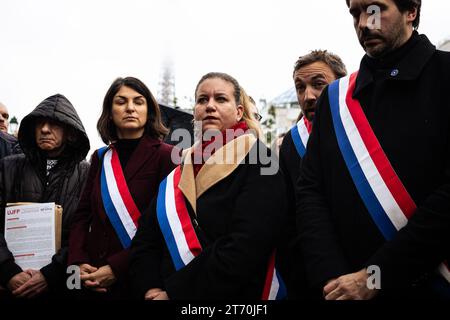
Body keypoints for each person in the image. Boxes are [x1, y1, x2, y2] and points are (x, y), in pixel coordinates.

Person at [297, 0, 450, 300]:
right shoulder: (335, 98)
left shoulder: (445, 76)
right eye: (356, 12)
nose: (364, 23)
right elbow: (310, 191)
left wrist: (376, 275)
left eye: (376, 10)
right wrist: (333, 280)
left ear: (411, 11)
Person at [130, 72, 287, 300]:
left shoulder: (263, 161)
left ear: (239, 111)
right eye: (202, 100)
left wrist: (174, 292)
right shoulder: (180, 169)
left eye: (221, 99)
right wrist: (150, 287)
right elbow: (146, 239)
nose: (210, 106)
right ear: (195, 111)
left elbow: (246, 245)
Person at [68, 77, 177, 298]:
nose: (130, 108)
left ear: (149, 111)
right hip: (92, 275)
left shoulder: (166, 156)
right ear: (109, 111)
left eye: (138, 102)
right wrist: (77, 261)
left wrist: (116, 267)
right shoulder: (100, 157)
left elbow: (165, 224)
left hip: (140, 278)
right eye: (121, 102)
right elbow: (82, 215)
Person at [0, 94, 90, 298]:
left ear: (70, 132)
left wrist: (50, 275)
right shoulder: (8, 166)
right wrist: (7, 272)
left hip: (62, 286)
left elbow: (85, 231)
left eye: (55, 124)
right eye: (39, 123)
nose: (45, 129)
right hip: (10, 285)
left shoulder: (87, 173)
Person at [278, 50, 347, 299]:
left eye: (318, 85)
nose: (308, 96)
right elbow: (290, 221)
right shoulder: (291, 145)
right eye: (300, 87)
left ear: (342, 83)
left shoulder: (369, 130)